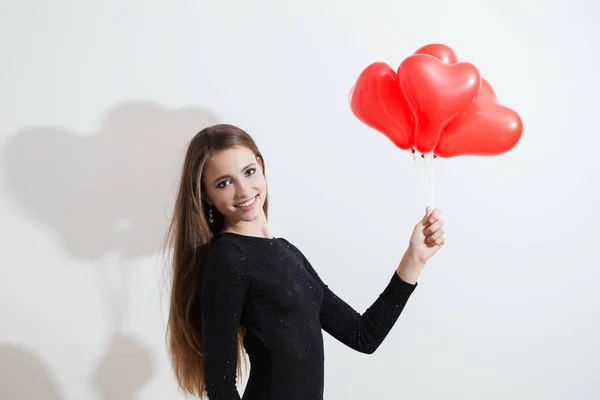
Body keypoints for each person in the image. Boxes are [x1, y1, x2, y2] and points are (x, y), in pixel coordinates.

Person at [163, 124, 446, 400]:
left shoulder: (287, 252)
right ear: (205, 195)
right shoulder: (228, 258)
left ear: (260, 165)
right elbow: (220, 383)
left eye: (249, 172)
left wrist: (415, 257)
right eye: (224, 183)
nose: (243, 191)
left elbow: (363, 336)